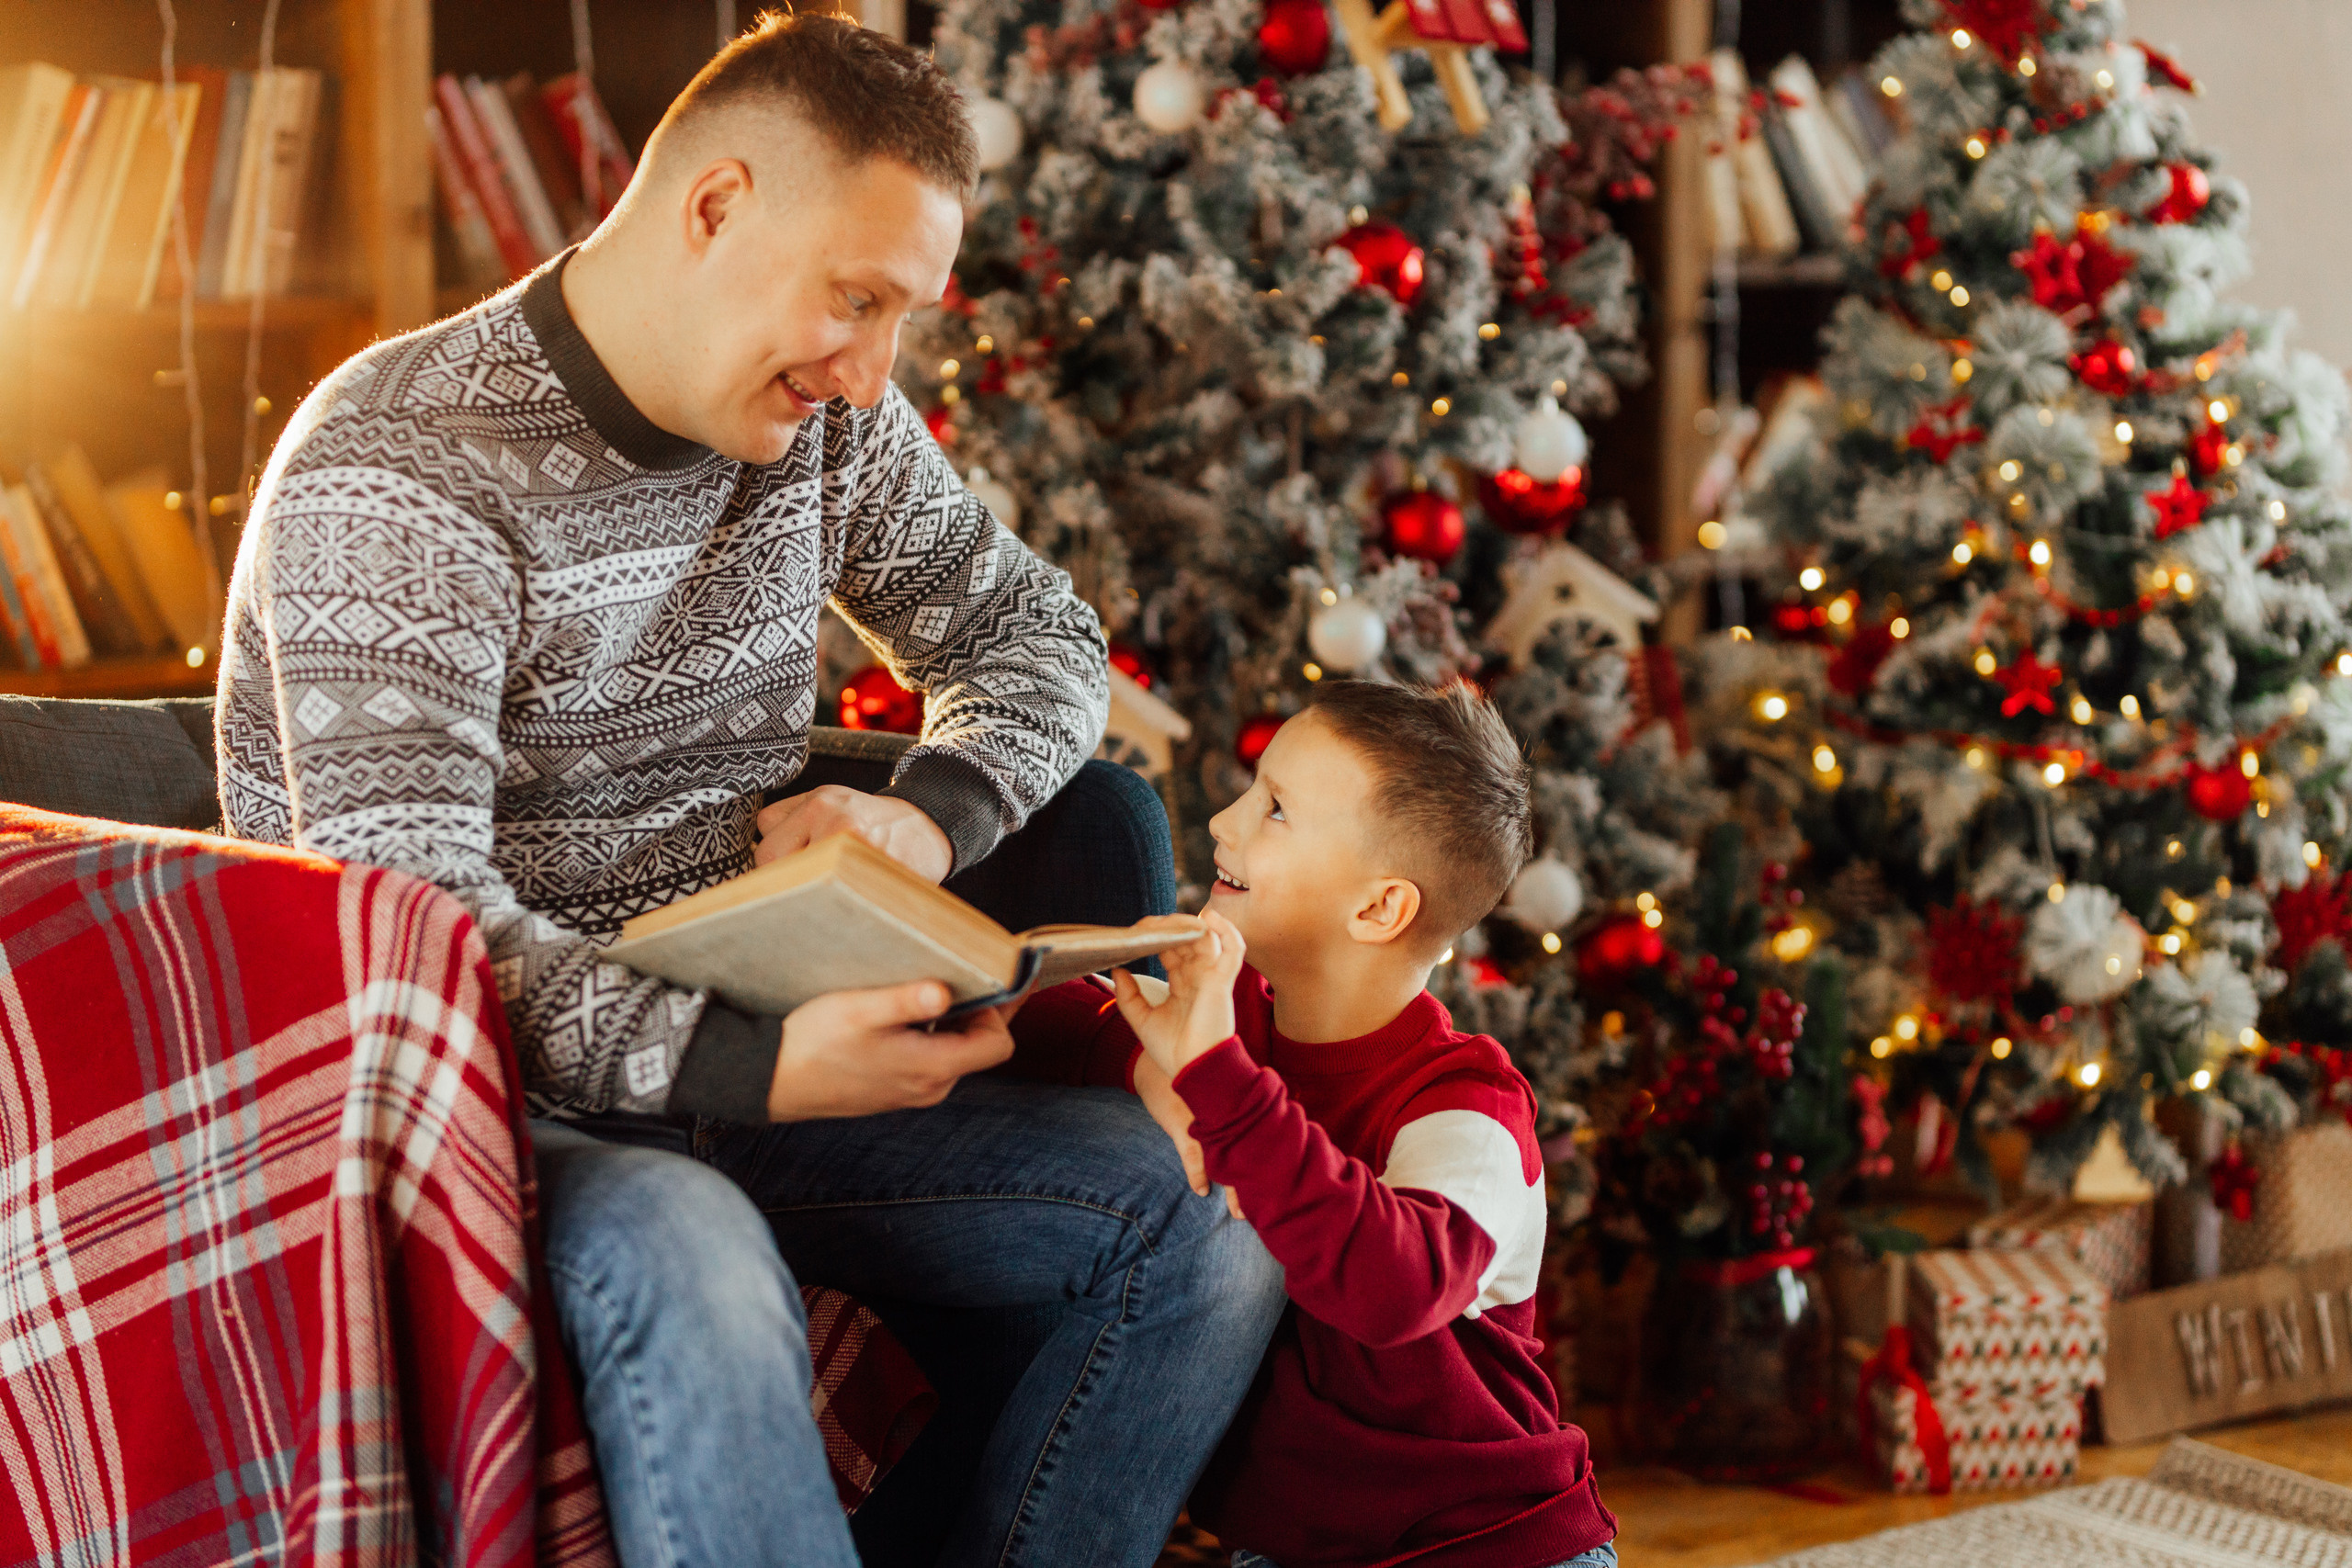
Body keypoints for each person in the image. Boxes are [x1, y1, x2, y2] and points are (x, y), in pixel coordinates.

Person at [216, 14, 1283, 1566]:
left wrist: (926, 819)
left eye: (903, 315)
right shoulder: (399, 472)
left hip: (760, 1062)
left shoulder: (823, 430)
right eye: (855, 299)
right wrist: (754, 1066)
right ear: (714, 208)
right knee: (699, 1254)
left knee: (1203, 1228)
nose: (871, 371)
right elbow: (416, 936)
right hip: (490, 1124)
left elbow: (1039, 638)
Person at [1008, 682, 1617, 1568]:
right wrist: (1020, 1005)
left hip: (1488, 1545)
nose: (1222, 819)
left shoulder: (1469, 1106)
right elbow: (1080, 1018)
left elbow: (1395, 1285)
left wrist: (1213, 1075)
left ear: (1379, 909)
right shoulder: (1234, 1024)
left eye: (1276, 809)